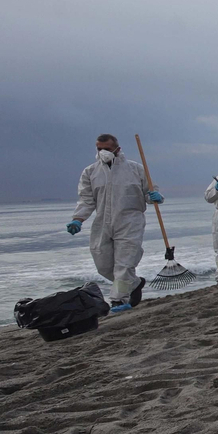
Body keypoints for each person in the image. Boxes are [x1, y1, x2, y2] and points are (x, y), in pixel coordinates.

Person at [67, 133, 162, 313]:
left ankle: (118, 300)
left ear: (117, 149)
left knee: (124, 263)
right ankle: (134, 283)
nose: (102, 152)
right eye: (99, 149)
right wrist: (77, 219)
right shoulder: (90, 172)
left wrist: (155, 197)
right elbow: (86, 199)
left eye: (107, 149)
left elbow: (150, 192)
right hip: (103, 222)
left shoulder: (135, 169)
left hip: (130, 221)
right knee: (103, 264)